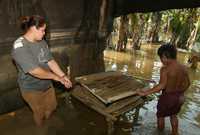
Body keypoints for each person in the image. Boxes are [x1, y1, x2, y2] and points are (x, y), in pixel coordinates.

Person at [11, 15, 72, 127]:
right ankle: (40, 128)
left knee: (52, 106)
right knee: (39, 112)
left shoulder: (41, 42)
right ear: (34, 28)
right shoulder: (19, 46)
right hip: (31, 88)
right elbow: (34, 71)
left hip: (46, 84)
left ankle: (47, 122)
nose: (44, 33)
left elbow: (50, 61)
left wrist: (63, 76)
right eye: (43, 30)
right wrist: (56, 77)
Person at [137, 43, 190, 135]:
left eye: (161, 57)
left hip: (168, 97)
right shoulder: (184, 68)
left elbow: (161, 86)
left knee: (160, 116)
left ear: (165, 56)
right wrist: (180, 93)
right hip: (180, 98)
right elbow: (188, 83)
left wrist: (145, 93)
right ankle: (175, 133)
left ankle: (160, 132)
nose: (161, 60)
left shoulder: (165, 69)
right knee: (173, 116)